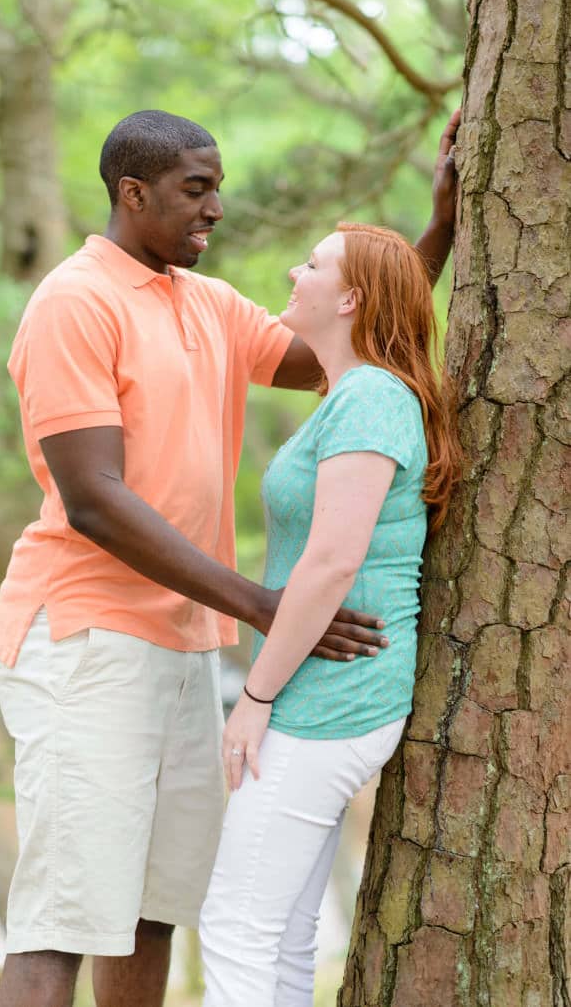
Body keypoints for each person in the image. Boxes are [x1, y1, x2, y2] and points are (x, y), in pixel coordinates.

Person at [0, 107, 461, 1007]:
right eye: (194, 191)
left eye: (217, 191)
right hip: (85, 639)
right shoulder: (73, 303)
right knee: (63, 917)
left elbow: (348, 341)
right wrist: (260, 603)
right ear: (134, 194)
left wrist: (435, 233)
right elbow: (93, 498)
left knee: (151, 910)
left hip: (185, 646)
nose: (214, 211)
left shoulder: (204, 302)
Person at [198, 223, 461, 1005]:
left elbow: (331, 561)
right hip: (324, 696)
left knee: (235, 929)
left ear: (349, 298)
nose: (292, 270)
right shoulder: (352, 394)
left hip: (327, 705)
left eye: (310, 264)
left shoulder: (373, 397)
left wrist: (256, 698)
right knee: (279, 936)